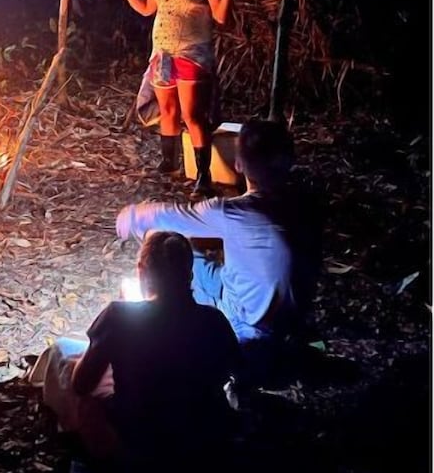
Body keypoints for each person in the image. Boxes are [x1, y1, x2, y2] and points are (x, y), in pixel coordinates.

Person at [41, 232, 240, 473]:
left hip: (140, 441)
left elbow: (82, 383)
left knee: (68, 364)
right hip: (201, 439)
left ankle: (102, 458)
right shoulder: (215, 321)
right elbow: (235, 371)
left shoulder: (118, 316)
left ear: (142, 272)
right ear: (190, 275)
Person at [116, 119, 321, 350]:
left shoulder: (234, 212)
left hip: (245, 328)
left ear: (238, 165)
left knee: (160, 240)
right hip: (290, 324)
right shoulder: (308, 206)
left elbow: (171, 216)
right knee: (194, 253)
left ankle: (156, 323)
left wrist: (131, 215)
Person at [100, 0, 233, 198]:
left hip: (191, 55)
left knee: (192, 116)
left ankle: (203, 176)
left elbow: (221, 17)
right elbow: (146, 8)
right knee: (168, 111)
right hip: (163, 54)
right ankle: (169, 165)